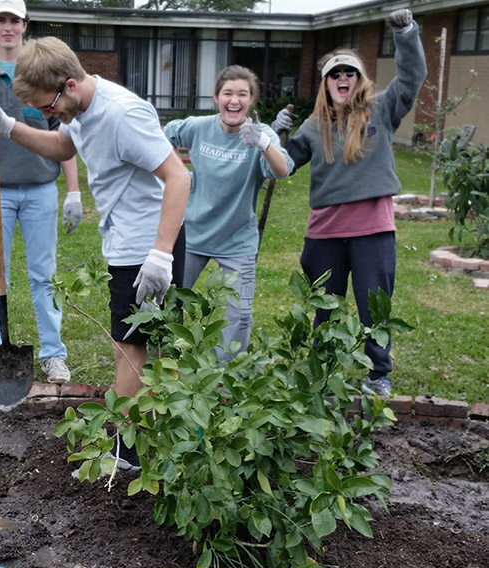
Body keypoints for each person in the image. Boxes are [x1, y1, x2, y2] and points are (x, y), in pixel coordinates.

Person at [0, 36, 190, 469]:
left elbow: (179, 177)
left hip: (147, 248)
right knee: (138, 348)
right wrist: (9, 127)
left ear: (70, 85)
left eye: (48, 106)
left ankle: (129, 453)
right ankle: (157, 441)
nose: (48, 114)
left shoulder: (123, 114)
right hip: (126, 244)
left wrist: (161, 254)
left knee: (132, 350)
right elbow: (63, 146)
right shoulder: (79, 109)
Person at [273, 8, 425, 398]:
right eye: (335, 74)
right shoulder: (312, 127)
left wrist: (406, 33)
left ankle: (378, 373)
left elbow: (411, 77)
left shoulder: (382, 110)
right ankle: (322, 373)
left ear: (359, 80)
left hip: (373, 230)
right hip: (325, 234)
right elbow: (283, 166)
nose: (343, 78)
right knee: (326, 307)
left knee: (375, 306)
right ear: (326, 83)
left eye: (350, 73)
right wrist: (272, 138)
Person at [0, 0, 80, 386]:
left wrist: (73, 191)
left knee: (44, 274)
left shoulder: (41, 72)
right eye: (0, 19)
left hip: (40, 189)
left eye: (14, 20)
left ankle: (53, 354)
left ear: (25, 24)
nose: (8, 27)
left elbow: (64, 133)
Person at [163, 65, 293, 362]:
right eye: (228, 93)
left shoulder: (262, 135)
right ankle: (166, 362)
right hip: (193, 234)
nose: (234, 101)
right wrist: (176, 172)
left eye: (242, 94)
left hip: (237, 241)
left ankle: (227, 373)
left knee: (240, 314)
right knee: (169, 302)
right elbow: (160, 137)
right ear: (216, 97)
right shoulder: (198, 127)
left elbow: (283, 170)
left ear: (252, 100)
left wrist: (263, 144)